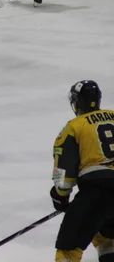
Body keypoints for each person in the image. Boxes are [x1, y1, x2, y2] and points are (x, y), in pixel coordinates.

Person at [50, 80, 114, 262]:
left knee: (68, 249)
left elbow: (64, 170)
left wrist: (60, 195)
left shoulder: (75, 126)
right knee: (108, 238)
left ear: (76, 103)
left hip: (98, 193)